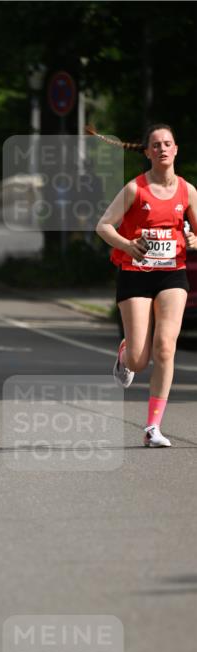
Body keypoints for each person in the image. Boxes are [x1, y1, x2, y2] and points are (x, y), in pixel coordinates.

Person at [95, 123, 197, 448]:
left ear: (176, 149)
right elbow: (103, 226)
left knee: (166, 345)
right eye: (156, 145)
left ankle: (153, 427)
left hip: (172, 273)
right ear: (148, 152)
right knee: (140, 360)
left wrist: (194, 238)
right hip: (135, 272)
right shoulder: (135, 189)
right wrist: (126, 244)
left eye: (168, 143)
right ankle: (126, 353)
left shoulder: (188, 191)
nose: (163, 149)